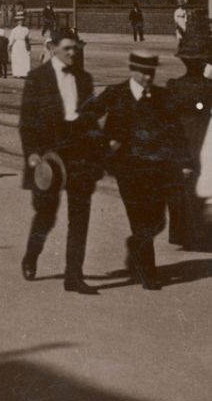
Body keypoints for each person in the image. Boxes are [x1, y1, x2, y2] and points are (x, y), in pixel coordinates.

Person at [83, 52, 191, 290]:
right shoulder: (116, 93)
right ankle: (148, 274)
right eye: (143, 72)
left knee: (157, 220)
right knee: (140, 218)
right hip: (128, 167)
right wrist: (104, 144)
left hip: (158, 167)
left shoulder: (162, 96)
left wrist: (184, 162)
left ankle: (136, 247)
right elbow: (87, 117)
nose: (148, 77)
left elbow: (176, 130)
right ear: (132, 70)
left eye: (151, 72)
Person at [18, 29, 103, 294]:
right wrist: (32, 153)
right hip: (48, 155)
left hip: (78, 155)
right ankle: (32, 255)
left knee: (80, 216)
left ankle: (73, 276)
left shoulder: (84, 78)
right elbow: (27, 121)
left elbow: (90, 121)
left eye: (75, 48)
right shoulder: (37, 78)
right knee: (46, 214)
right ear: (52, 47)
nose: (72, 53)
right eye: (67, 48)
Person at [166, 26, 212, 250]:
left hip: (179, 138)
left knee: (180, 186)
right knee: (199, 183)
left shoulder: (173, 86)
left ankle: (182, 233)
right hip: (202, 136)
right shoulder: (208, 87)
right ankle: (201, 233)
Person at [8, 11, 32, 79]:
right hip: (17, 45)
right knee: (17, 58)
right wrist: (10, 45)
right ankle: (17, 73)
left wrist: (28, 46)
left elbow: (28, 39)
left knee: (24, 58)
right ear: (17, 21)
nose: (21, 22)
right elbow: (11, 38)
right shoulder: (14, 30)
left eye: (22, 20)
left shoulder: (26, 29)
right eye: (19, 21)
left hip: (23, 44)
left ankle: (24, 73)